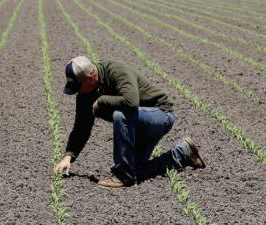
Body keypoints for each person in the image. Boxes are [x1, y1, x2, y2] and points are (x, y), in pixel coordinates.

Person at [55, 56, 206, 188]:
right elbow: (82, 127)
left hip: (160, 115)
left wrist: (101, 100)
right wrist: (68, 156)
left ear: (90, 77)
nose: (77, 92)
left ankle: (121, 175)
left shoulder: (116, 70)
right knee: (136, 172)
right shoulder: (85, 93)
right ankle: (183, 153)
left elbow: (131, 102)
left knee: (121, 115)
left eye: (78, 87)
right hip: (136, 126)